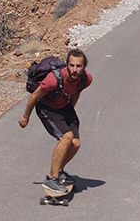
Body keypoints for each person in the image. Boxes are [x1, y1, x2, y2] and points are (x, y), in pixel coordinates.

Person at [19, 49, 92, 193]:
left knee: (75, 144)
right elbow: (34, 96)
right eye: (71, 65)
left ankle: (59, 170)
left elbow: (76, 92)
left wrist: (69, 111)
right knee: (67, 137)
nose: (75, 69)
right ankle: (52, 179)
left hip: (64, 106)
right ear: (66, 65)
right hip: (47, 108)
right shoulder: (53, 79)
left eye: (78, 66)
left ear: (84, 67)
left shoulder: (86, 79)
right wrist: (25, 117)